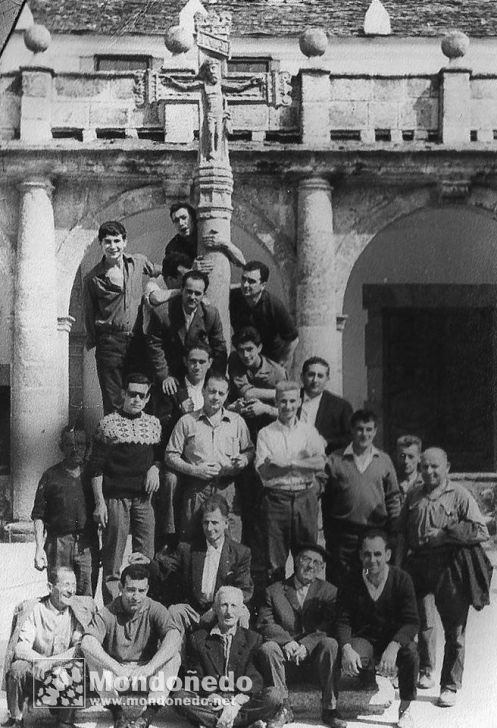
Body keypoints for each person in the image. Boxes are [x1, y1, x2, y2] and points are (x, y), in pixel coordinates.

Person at [397, 447, 491, 708]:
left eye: (435, 466)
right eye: (425, 466)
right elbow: (403, 533)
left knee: (455, 629)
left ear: (447, 467)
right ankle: (426, 670)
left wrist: (446, 534)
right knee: (420, 622)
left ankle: (449, 684)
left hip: (450, 566)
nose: (429, 471)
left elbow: (481, 531)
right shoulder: (414, 494)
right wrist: (398, 567)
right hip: (417, 564)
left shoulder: (459, 495)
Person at [87, 373, 161, 604]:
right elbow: (96, 468)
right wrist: (100, 503)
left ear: (148, 398)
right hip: (116, 499)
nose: (137, 399)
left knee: (146, 557)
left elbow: (158, 457)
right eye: (132, 394)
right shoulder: (108, 424)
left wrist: (154, 469)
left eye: (142, 395)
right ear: (123, 394)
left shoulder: (153, 424)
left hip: (143, 500)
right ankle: (112, 610)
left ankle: (141, 609)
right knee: (113, 561)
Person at [81, 564, 186, 728]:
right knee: (91, 655)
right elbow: (87, 643)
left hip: (145, 673)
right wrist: (117, 668)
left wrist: (150, 667)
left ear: (147, 589)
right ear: (121, 587)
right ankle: (118, 715)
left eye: (141, 590)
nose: (136, 596)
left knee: (174, 657)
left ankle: (146, 717)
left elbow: (174, 637)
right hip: (117, 674)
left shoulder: (154, 608)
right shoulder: (108, 611)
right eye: (131, 590)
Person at [336, 530, 419, 728]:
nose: (372, 560)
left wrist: (394, 645)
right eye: (367, 554)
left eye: (378, 554)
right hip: (364, 639)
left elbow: (412, 621)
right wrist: (346, 648)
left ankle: (405, 709)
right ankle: (368, 675)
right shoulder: (350, 581)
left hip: (392, 639)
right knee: (353, 655)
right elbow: (342, 620)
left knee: (411, 653)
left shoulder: (401, 579)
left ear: (388, 555)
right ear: (360, 556)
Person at [131, 495, 253, 626]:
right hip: (194, 610)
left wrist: (216, 608)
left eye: (215, 523)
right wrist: (148, 562)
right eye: (206, 522)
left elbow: (244, 590)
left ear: (226, 523)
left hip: (221, 610)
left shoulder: (240, 553)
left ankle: (233, 646)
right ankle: (177, 646)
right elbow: (164, 569)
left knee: (243, 613)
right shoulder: (187, 549)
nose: (210, 528)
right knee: (174, 611)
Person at [257, 544, 343, 728]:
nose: (310, 566)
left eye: (317, 563)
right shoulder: (274, 590)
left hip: (315, 663)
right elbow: (265, 623)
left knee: (331, 643)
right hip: (285, 663)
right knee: (268, 648)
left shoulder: (330, 591)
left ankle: (330, 709)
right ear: (296, 561)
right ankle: (283, 708)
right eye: (306, 559)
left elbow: (328, 625)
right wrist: (287, 642)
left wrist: (306, 645)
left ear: (321, 568)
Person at [173, 586, 284, 728]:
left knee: (274, 696)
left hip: (240, 699)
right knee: (179, 698)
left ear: (241, 610)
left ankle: (218, 722)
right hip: (212, 700)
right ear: (216, 608)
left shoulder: (253, 638)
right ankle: (239, 722)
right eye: (224, 605)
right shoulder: (198, 638)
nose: (229, 612)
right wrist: (212, 696)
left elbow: (254, 677)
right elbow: (196, 676)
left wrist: (236, 703)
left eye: (233, 606)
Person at [83, 220, 161, 414]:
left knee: (140, 394)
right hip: (110, 344)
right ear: (101, 244)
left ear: (125, 242)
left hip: (136, 341)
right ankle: (116, 443)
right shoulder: (93, 278)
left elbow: (159, 269)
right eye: (107, 242)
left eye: (117, 241)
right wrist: (98, 341)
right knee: (114, 401)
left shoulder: (138, 262)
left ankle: (139, 443)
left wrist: (186, 270)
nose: (113, 246)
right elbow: (89, 314)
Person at [165, 373, 254, 542]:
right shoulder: (187, 421)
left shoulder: (236, 422)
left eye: (221, 393)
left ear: (227, 395)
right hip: (197, 488)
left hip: (226, 488)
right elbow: (170, 455)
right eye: (212, 392)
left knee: (230, 541)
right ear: (204, 392)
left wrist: (244, 459)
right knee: (191, 540)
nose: (216, 397)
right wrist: (194, 470)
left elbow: (249, 450)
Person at [4, 567, 96, 728]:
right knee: (17, 669)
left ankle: (64, 722)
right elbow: (20, 648)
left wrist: (53, 664)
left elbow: (79, 649)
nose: (71, 591)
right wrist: (44, 662)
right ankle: (16, 719)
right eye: (66, 585)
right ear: (50, 587)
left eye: (74, 585)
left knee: (77, 668)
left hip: (63, 674)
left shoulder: (77, 611)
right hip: (37, 671)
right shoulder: (35, 609)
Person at [255, 381, 327, 583]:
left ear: (300, 401)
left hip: (305, 498)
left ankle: (306, 609)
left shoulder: (308, 431)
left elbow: (320, 462)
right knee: (274, 563)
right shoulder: (266, 434)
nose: (288, 406)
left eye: (292, 401)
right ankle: (276, 610)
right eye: (283, 401)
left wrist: (288, 462)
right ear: (276, 402)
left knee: (307, 559)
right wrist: (305, 462)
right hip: (276, 500)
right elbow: (266, 473)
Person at [324, 409, 401, 587]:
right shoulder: (335, 459)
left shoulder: (384, 460)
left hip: (374, 533)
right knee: (341, 581)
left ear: (375, 431)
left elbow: (393, 497)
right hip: (344, 535)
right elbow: (324, 497)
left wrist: (394, 529)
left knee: (370, 580)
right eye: (359, 429)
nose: (364, 434)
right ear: (352, 430)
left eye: (368, 429)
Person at [154, 343, 213, 549]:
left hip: (206, 457)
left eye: (202, 362)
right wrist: (180, 412)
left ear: (209, 363)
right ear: (185, 362)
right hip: (177, 456)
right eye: (193, 361)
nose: (197, 366)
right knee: (170, 480)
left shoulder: (213, 389)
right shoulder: (173, 388)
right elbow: (160, 427)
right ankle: (169, 537)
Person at [31, 426, 99, 596]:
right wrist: (39, 548)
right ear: (62, 447)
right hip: (58, 544)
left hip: (87, 543)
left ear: (87, 446)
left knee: (85, 598)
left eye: (80, 444)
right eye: (69, 445)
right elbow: (38, 515)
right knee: (59, 597)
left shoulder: (94, 475)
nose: (75, 449)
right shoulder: (50, 475)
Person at [146, 270, 227, 397]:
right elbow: (154, 346)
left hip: (198, 370)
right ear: (181, 290)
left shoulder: (211, 314)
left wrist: (217, 379)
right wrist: (164, 376)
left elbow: (219, 347)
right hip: (171, 370)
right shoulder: (162, 314)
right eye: (189, 291)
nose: (192, 297)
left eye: (197, 293)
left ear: (204, 295)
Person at [395, 435, 435, 689]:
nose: (406, 461)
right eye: (402, 456)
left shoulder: (425, 484)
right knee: (398, 613)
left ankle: (428, 669)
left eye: (411, 456)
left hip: (421, 558)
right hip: (394, 553)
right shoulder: (391, 480)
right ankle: (400, 666)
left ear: (419, 458)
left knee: (425, 613)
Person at [230, 261, 298, 370]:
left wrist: (282, 363)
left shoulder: (274, 305)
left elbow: (293, 339)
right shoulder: (234, 297)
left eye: (251, 281)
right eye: (243, 279)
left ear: (263, 285)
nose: (245, 284)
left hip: (270, 360)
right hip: (243, 357)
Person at [228, 326, 287, 436]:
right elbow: (248, 394)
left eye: (250, 349)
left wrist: (265, 408)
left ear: (259, 348)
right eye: (241, 350)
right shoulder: (235, 359)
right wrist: (276, 393)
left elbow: (286, 412)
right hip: (241, 427)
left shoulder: (278, 373)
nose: (245, 355)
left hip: (270, 429)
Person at [299, 357, 352, 454]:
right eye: (311, 375)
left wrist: (326, 442)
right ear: (302, 377)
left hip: (326, 462)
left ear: (327, 378)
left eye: (320, 376)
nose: (315, 380)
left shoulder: (341, 406)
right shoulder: (289, 400)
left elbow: (350, 437)